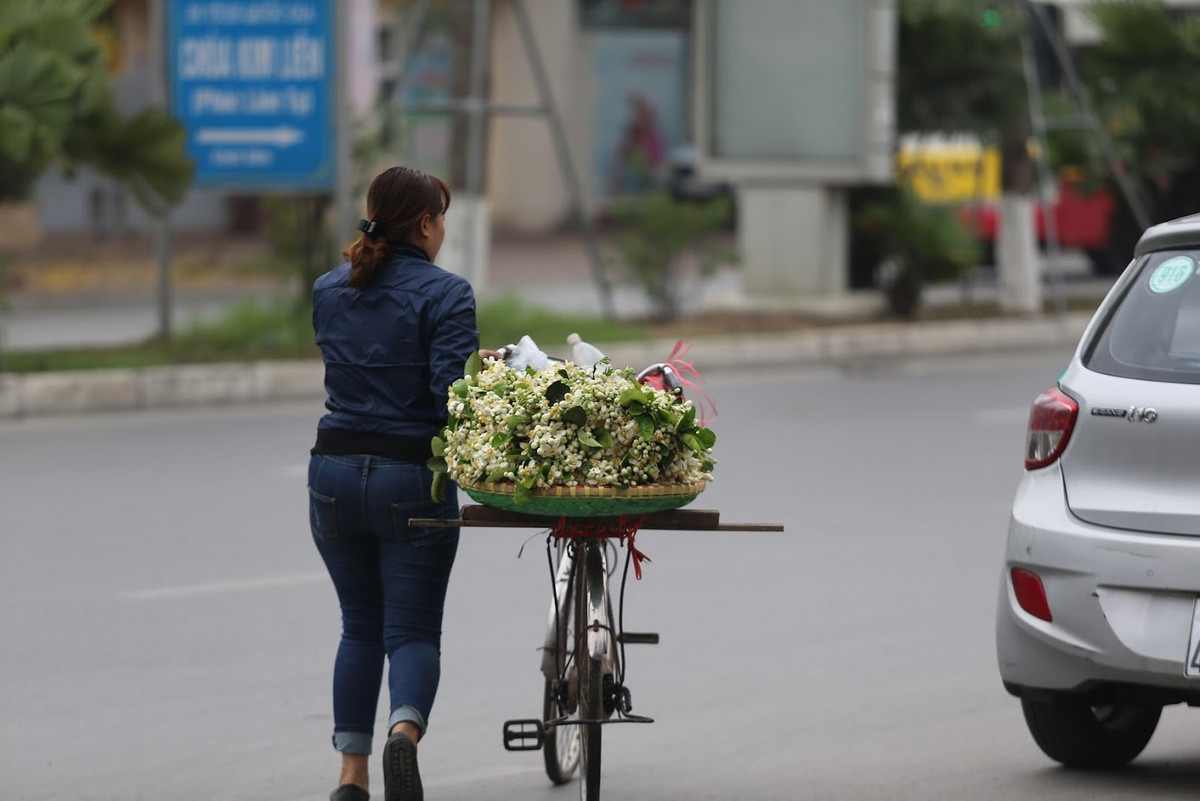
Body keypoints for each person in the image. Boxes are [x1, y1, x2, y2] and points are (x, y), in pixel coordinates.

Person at [308, 165, 495, 801]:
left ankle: (351, 778)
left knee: (358, 626)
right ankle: (404, 736)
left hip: (331, 473)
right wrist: (486, 379)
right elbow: (453, 401)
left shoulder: (329, 288)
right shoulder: (448, 294)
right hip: (411, 479)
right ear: (425, 224)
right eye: (441, 218)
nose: (443, 229)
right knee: (411, 631)